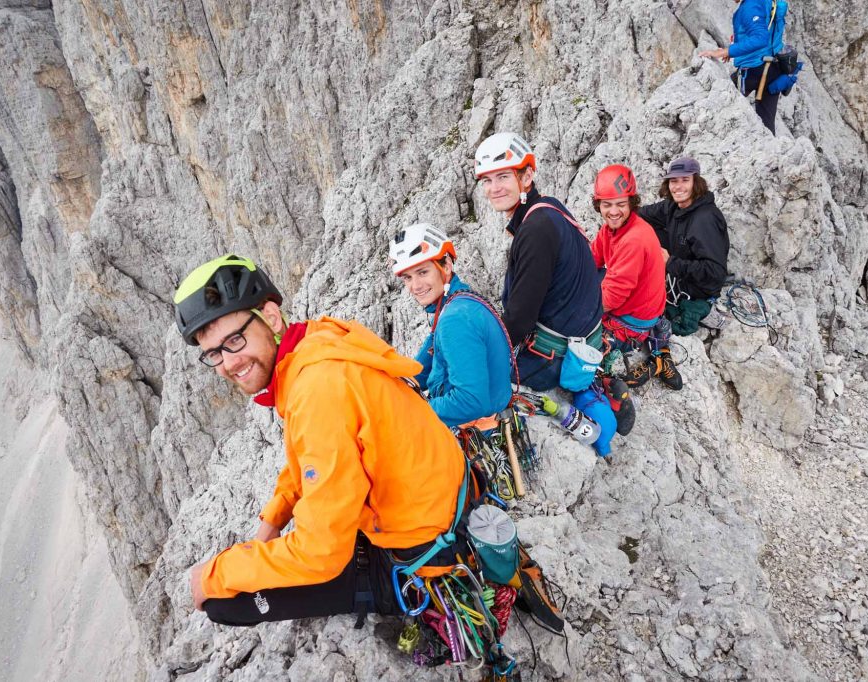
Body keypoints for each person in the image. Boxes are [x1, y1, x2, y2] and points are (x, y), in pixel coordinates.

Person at [173, 254, 465, 626]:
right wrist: (275, 516)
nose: (229, 363)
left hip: (424, 554)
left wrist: (215, 573)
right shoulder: (314, 346)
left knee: (224, 602)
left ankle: (402, 601)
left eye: (234, 340)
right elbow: (306, 454)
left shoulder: (316, 390)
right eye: (213, 353)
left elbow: (321, 553)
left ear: (272, 317)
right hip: (443, 507)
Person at [473, 132, 633, 453]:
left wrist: (482, 357)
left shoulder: (535, 230)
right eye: (487, 180)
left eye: (503, 176)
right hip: (585, 338)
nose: (493, 188)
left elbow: (518, 321)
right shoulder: (550, 208)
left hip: (552, 357)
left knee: (479, 384)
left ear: (527, 175)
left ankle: (579, 395)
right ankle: (592, 385)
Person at [389, 223, 513, 428]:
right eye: (408, 278)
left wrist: (410, 413)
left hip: (475, 429)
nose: (415, 286)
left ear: (446, 265)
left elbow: (470, 401)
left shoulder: (455, 319)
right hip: (492, 413)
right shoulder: (457, 302)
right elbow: (422, 365)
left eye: (422, 272)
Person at [590, 164, 682, 391]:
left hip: (632, 319)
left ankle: (628, 354)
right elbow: (592, 259)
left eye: (621, 204)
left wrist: (576, 310)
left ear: (631, 204)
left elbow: (612, 297)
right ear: (598, 205)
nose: (613, 211)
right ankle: (659, 348)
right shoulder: (611, 229)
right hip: (645, 308)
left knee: (582, 344)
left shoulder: (633, 238)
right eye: (607, 205)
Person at [639, 157, 730, 336]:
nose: (678, 186)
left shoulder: (705, 220)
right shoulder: (673, 206)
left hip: (697, 288)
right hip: (679, 265)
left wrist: (670, 263)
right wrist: (619, 209)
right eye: (674, 181)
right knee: (642, 230)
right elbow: (641, 214)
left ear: (696, 182)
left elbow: (716, 273)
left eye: (685, 180)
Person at [699, 0, 788, 134]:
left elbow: (760, 38)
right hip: (774, 67)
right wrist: (734, 48)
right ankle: (770, 152)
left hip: (755, 69)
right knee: (767, 124)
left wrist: (725, 52)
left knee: (723, 101)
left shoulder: (750, 6)